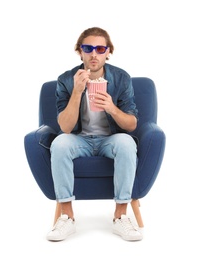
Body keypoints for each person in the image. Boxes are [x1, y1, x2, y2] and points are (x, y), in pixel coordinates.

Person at [46, 27, 143, 242]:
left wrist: (111, 108)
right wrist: (77, 92)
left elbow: (132, 124)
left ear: (108, 52)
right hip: (80, 139)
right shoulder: (66, 79)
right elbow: (65, 128)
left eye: (100, 48)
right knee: (60, 143)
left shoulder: (121, 78)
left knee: (127, 143)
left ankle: (120, 217)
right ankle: (66, 217)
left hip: (111, 139)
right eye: (87, 48)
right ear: (79, 51)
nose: (93, 54)